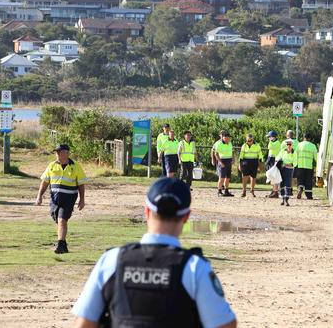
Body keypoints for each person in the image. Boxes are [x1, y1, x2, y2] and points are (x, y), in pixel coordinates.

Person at [71, 178, 237, 328]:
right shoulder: (194, 268)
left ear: (147, 212)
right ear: (186, 217)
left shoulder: (112, 261)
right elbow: (224, 324)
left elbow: (84, 323)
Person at [35, 144, 88, 254]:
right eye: (56, 152)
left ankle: (60, 245)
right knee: (58, 220)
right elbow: (45, 182)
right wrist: (39, 196)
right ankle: (63, 244)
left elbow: (81, 184)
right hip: (54, 199)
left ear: (66, 153)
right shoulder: (51, 166)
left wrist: (82, 199)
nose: (57, 154)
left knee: (62, 220)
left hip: (69, 198)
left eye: (59, 152)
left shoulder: (76, 166)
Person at [296, 134, 318, 200]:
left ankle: (300, 189)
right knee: (308, 181)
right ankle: (309, 196)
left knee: (300, 180)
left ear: (304, 138)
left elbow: (295, 155)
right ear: (309, 138)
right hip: (309, 166)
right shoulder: (313, 146)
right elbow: (316, 157)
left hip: (300, 166)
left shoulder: (299, 145)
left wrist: (295, 164)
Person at [276, 139, 297, 206]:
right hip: (282, 169)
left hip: (289, 170)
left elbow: (295, 163)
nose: (288, 146)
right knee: (282, 183)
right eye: (287, 144)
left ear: (292, 145)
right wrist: (278, 162)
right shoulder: (283, 151)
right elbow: (277, 158)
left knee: (288, 184)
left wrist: (289, 164)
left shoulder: (294, 152)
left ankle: (286, 199)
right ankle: (283, 198)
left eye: (290, 144)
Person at [213, 131, 234, 197]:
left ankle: (226, 191)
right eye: (226, 137)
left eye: (228, 138)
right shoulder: (218, 144)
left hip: (229, 160)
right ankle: (219, 191)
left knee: (228, 177)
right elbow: (216, 154)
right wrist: (220, 162)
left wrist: (233, 159)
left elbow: (232, 151)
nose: (227, 139)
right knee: (221, 177)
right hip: (222, 160)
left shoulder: (230, 143)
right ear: (223, 138)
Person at [265, 131, 282, 198]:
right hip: (271, 159)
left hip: (274, 160)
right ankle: (273, 190)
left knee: (274, 176)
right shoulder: (273, 142)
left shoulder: (277, 143)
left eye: (269, 137)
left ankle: (275, 192)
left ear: (273, 137)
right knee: (271, 176)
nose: (269, 138)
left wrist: (271, 141)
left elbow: (269, 146)